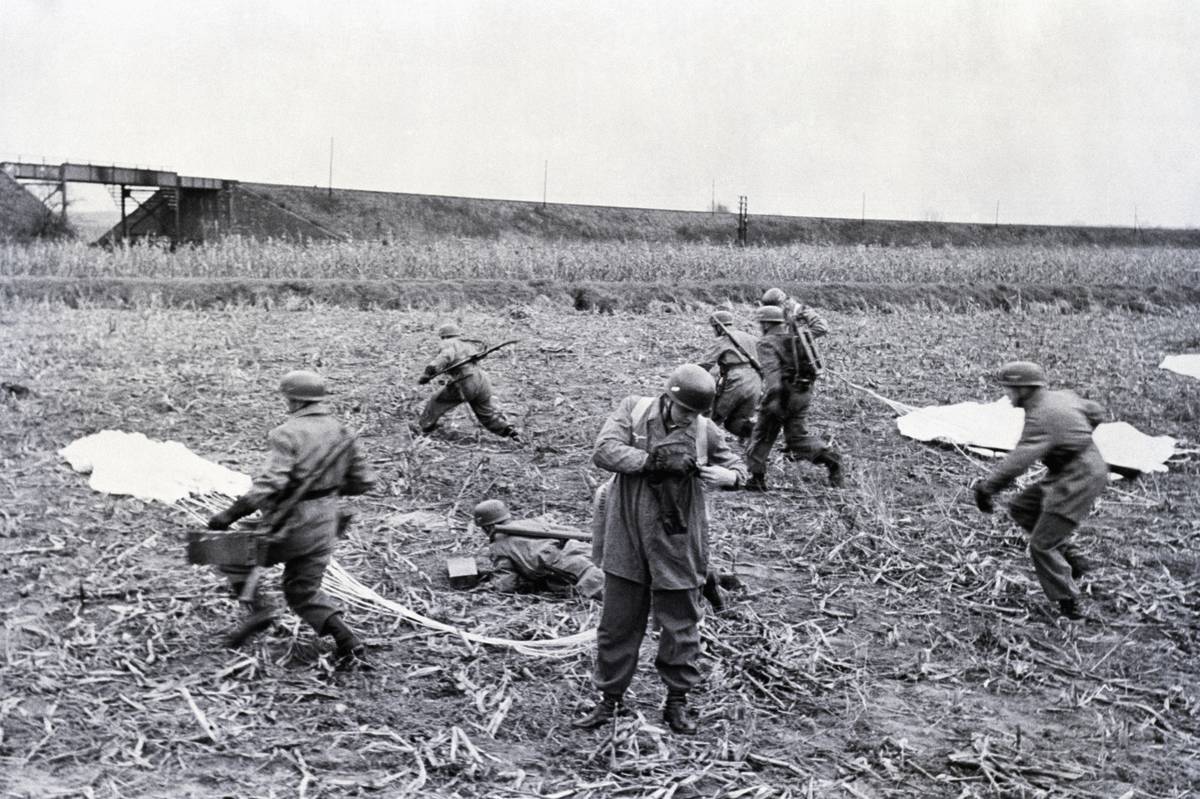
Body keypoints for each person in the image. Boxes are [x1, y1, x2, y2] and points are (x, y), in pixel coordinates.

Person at [575, 364, 748, 735]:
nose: (688, 418)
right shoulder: (634, 411)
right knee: (617, 624)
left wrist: (730, 477)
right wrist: (651, 461)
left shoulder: (704, 430)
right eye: (684, 409)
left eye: (696, 413)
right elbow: (604, 451)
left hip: (679, 541)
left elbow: (738, 468)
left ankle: (676, 702)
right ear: (668, 398)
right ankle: (610, 700)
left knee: (681, 625)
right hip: (627, 534)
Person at [207, 370, 376, 668]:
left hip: (292, 522)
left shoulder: (286, 433)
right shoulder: (343, 432)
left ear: (294, 400)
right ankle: (349, 642)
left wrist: (230, 514)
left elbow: (271, 483)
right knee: (302, 590)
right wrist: (326, 491)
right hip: (327, 523)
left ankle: (260, 612)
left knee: (225, 552)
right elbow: (363, 482)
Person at [971, 361, 1108, 621]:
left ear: (1024, 389)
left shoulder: (1041, 417)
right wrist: (1075, 437)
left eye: (1010, 389)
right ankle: (1071, 560)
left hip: (1079, 478)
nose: (1007, 394)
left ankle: (1070, 604)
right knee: (1023, 508)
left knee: (1042, 546)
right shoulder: (1061, 397)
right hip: (1070, 468)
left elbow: (1018, 461)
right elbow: (1096, 411)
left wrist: (987, 489)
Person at [744, 305, 844, 490]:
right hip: (803, 393)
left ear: (766, 324)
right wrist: (807, 312)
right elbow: (821, 328)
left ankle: (756, 479)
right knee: (796, 438)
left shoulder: (766, 343)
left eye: (761, 323)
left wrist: (771, 402)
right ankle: (831, 459)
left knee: (762, 435)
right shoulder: (798, 338)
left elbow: (773, 379)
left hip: (782, 396)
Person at [471, 500, 604, 599]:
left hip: (570, 567)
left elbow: (506, 585)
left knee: (607, 591)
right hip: (582, 548)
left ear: (486, 527)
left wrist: (488, 583)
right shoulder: (530, 523)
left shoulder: (498, 546)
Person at [415, 322, 521, 442]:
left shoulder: (448, 343)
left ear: (443, 336)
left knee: (436, 400)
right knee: (486, 413)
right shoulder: (467, 344)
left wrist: (427, 373)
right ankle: (509, 431)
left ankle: (424, 428)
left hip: (465, 381)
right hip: (482, 380)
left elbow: (445, 357)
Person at [697, 310, 761, 439]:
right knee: (737, 422)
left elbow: (705, 364)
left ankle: (703, 446)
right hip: (756, 380)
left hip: (736, 379)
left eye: (713, 328)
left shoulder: (723, 340)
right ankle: (758, 441)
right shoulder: (751, 338)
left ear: (717, 327)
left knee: (713, 417)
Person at [760, 286, 829, 338]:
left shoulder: (802, 311)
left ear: (783, 303)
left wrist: (800, 338)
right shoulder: (777, 316)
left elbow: (822, 327)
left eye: (775, 308)